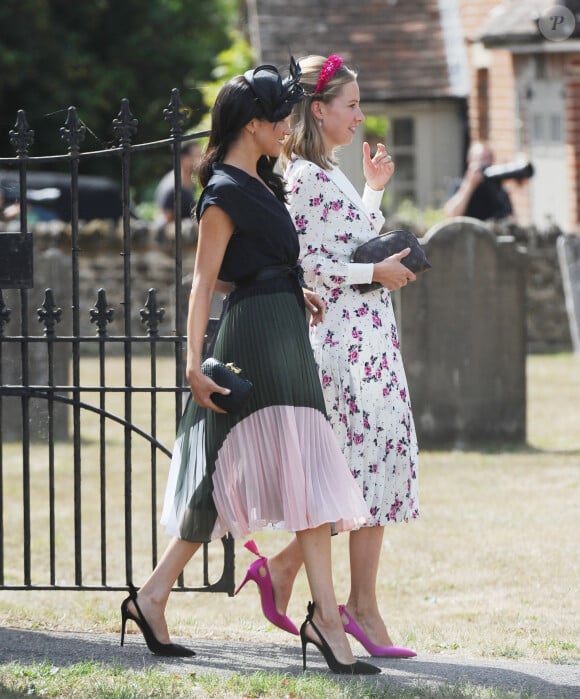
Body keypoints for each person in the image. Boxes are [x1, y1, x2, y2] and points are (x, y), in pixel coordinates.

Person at [119, 59, 381, 675]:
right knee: (228, 469)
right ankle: (158, 597)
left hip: (284, 324)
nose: (289, 130)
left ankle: (314, 618)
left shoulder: (267, 184)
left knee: (308, 465)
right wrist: (191, 365)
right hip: (253, 336)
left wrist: (298, 291)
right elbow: (203, 285)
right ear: (255, 124)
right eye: (282, 120)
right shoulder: (224, 193)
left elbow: (265, 262)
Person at [234, 55, 419, 659]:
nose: (361, 116)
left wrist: (374, 188)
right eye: (352, 105)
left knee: (378, 463)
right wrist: (376, 269)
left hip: (370, 330)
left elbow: (354, 235)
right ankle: (354, 605)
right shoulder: (305, 177)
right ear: (320, 109)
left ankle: (288, 573)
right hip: (343, 338)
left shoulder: (329, 171)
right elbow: (309, 265)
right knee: (366, 466)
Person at [444, 141, 513, 221]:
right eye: (480, 159)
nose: (483, 163)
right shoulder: (459, 185)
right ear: (469, 162)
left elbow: (509, 217)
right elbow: (451, 215)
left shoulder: (496, 187)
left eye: (487, 158)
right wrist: (470, 185)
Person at [154, 140, 202, 241]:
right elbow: (164, 226)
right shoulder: (172, 188)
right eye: (197, 155)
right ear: (183, 159)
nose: (201, 159)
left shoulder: (189, 182)